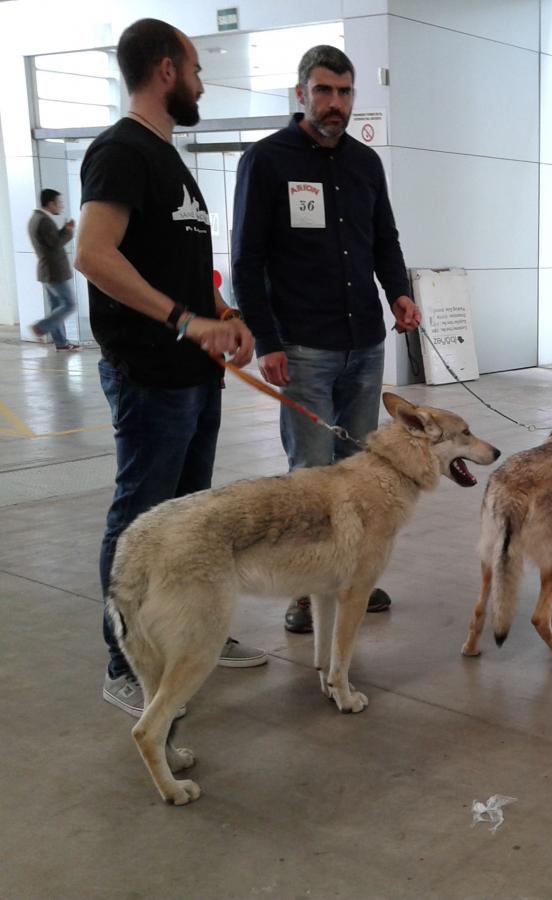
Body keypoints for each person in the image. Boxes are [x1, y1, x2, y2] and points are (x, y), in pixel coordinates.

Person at [75, 18, 268, 718]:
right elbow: (94, 254)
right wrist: (186, 322)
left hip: (194, 374)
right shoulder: (122, 151)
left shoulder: (168, 157)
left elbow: (180, 267)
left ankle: (192, 640)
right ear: (165, 70)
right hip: (151, 374)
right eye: (194, 66)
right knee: (140, 521)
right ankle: (123, 662)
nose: (201, 80)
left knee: (190, 525)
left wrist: (226, 314)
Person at [232, 45, 421, 634]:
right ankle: (304, 592)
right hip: (303, 345)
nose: (334, 103)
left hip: (364, 340)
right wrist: (268, 340)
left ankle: (353, 577)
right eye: (323, 91)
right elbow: (247, 258)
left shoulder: (365, 163)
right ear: (300, 95)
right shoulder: (266, 161)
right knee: (311, 475)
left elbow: (384, 238)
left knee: (361, 470)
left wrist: (398, 292)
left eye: (343, 92)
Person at [28, 188, 81, 350]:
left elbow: (51, 241)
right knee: (69, 304)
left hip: (47, 270)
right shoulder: (43, 221)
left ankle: (61, 342)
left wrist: (64, 230)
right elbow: (55, 244)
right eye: (59, 203)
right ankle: (40, 327)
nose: (61, 206)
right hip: (54, 271)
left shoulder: (36, 218)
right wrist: (69, 231)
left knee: (56, 306)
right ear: (51, 203)